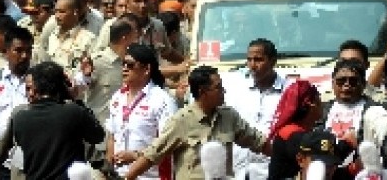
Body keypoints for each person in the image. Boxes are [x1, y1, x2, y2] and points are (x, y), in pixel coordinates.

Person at [123, 65, 269, 179]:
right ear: (202, 92)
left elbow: (259, 142)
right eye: (217, 88)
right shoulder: (181, 121)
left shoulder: (229, 117)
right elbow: (152, 155)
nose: (223, 91)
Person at [0, 61, 104, 179]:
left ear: (36, 88)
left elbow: (3, 151)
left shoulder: (19, 116)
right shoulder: (74, 112)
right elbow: (98, 136)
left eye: (29, 88)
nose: (28, 93)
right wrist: (75, 98)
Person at [106, 44, 177, 179]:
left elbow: (168, 144)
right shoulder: (117, 97)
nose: (125, 68)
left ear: (146, 69)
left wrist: (134, 156)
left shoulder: (162, 100)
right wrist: (110, 171)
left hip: (150, 177)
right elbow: (112, 138)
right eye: (123, 64)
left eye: (130, 65)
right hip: (120, 176)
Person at [224, 39, 288, 180]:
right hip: (239, 170)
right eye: (249, 60)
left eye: (258, 60)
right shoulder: (237, 90)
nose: (252, 65)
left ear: (272, 61)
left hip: (270, 171)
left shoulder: (288, 92)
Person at [267, 81, 323, 180]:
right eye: (319, 98)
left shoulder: (296, 131)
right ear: (312, 104)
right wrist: (347, 143)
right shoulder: (290, 133)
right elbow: (323, 155)